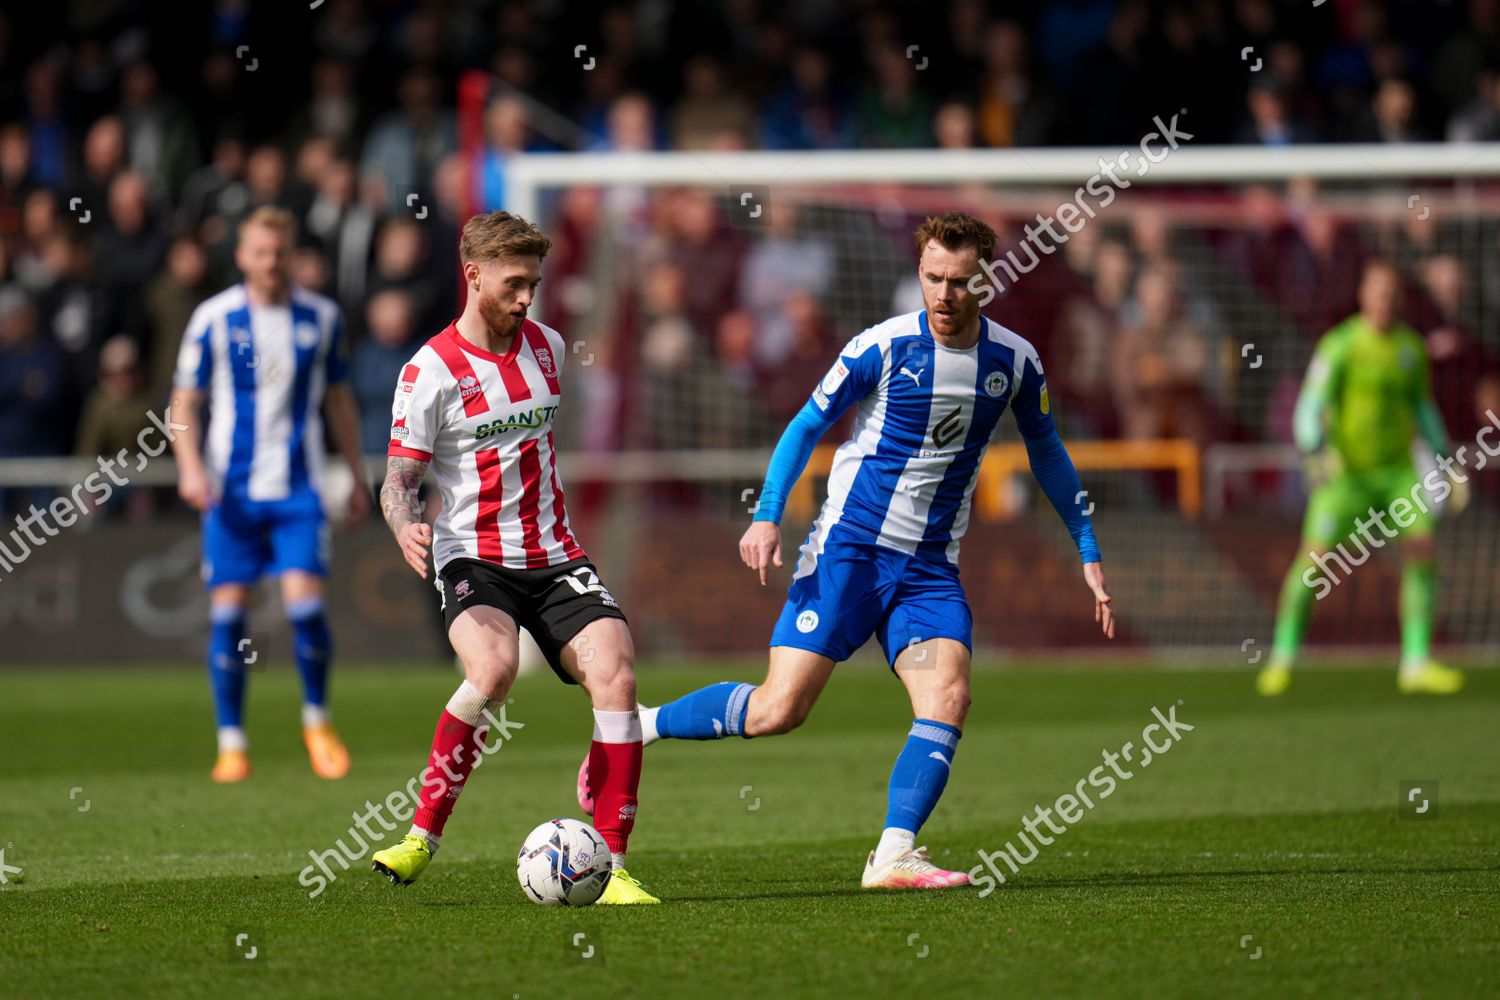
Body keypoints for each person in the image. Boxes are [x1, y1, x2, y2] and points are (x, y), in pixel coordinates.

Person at [579, 212, 1114, 890]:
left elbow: (1049, 452)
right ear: (918, 271)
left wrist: (1087, 545)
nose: (944, 295)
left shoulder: (1013, 361)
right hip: (849, 553)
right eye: (932, 279)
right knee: (779, 710)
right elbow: (806, 426)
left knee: (947, 695)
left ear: (985, 279)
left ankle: (892, 853)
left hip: (928, 571)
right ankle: (641, 725)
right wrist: (767, 515)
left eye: (959, 282)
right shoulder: (882, 347)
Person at [370, 211, 657, 905]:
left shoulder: (550, 347)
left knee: (617, 680)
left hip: (555, 553)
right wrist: (406, 524)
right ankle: (420, 838)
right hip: (473, 555)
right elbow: (397, 480)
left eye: (534, 282)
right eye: (514, 283)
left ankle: (614, 868)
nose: (527, 297)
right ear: (473, 276)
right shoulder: (428, 370)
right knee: (493, 670)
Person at [169, 206, 369, 783]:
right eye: (259, 252)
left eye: (279, 252)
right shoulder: (213, 317)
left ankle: (317, 720)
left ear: (291, 255)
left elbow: (339, 400)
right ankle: (231, 742)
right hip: (229, 493)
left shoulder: (322, 316)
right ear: (241, 256)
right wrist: (188, 468)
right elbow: (184, 401)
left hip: (298, 490)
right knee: (228, 617)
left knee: (305, 609)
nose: (270, 262)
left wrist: (355, 476)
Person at [1258, 260, 1466, 696]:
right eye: (1377, 292)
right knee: (1313, 564)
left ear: (1398, 299)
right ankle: (1281, 658)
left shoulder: (1410, 350)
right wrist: (1315, 449)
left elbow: (1422, 408)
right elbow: (1311, 404)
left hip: (1397, 474)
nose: (1384, 301)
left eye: (1391, 294)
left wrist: (1446, 458)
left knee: (1423, 549)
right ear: (1363, 296)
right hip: (1347, 476)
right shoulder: (1341, 346)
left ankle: (1415, 662)